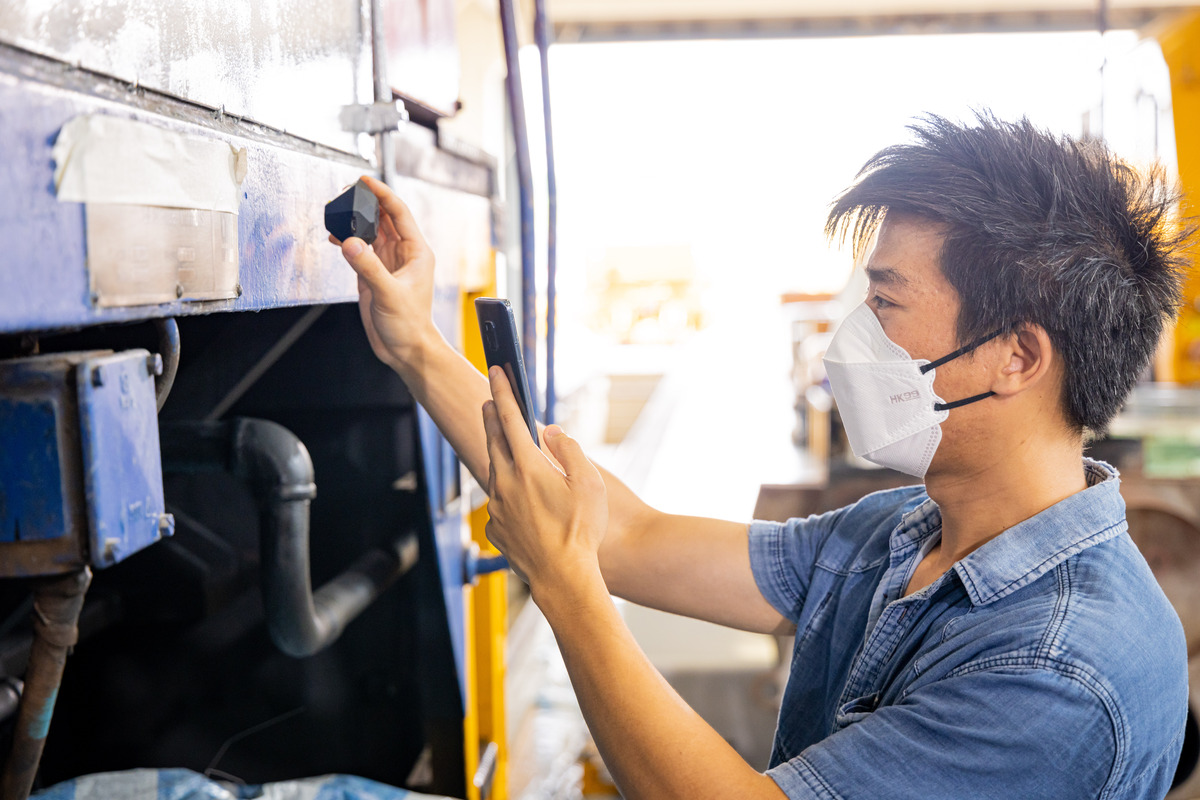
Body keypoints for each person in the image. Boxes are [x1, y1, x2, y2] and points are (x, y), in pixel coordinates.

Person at [332, 113, 1192, 799]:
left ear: (1018, 356)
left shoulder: (1059, 669)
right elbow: (626, 538)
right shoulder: (902, 531)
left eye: (885, 301)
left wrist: (564, 586)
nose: (849, 338)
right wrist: (415, 345)